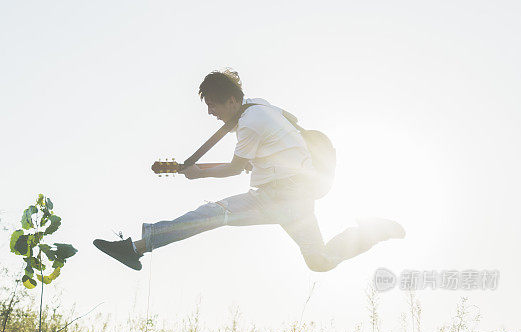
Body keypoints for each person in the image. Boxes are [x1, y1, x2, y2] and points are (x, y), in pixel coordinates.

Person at [93, 69, 405, 272]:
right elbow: (291, 119)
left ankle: (136, 247)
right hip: (296, 194)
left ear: (231, 100)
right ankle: (369, 233)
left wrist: (199, 172)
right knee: (319, 260)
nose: (211, 113)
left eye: (214, 105)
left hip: (280, 195)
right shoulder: (259, 106)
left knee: (213, 214)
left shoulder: (251, 123)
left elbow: (233, 169)